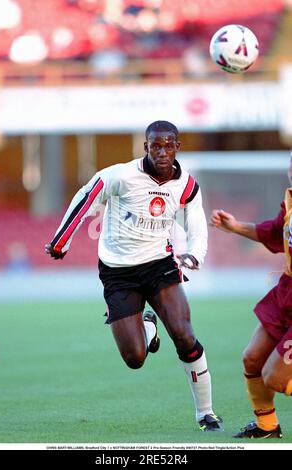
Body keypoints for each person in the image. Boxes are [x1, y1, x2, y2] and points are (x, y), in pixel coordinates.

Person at [45, 120, 222, 432]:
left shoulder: (187, 185)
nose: (162, 152)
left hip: (159, 264)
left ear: (177, 147)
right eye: (156, 145)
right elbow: (85, 197)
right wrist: (62, 240)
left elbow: (197, 226)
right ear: (146, 147)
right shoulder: (121, 175)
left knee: (183, 334)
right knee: (135, 358)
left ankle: (206, 413)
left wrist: (196, 254)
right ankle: (147, 325)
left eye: (169, 145)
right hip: (117, 272)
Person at [210, 154, 292, 439]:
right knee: (252, 359)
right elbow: (272, 232)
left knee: (277, 379)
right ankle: (267, 425)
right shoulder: (291, 201)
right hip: (286, 294)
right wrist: (235, 227)